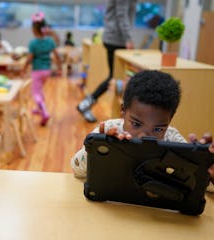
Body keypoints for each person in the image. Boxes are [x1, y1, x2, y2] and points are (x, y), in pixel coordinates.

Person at [71, 70, 214, 189]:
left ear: (170, 120)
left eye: (158, 129)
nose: (144, 136)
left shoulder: (173, 140)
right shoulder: (108, 130)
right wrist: (97, 149)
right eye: (136, 124)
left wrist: (205, 167)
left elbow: (204, 186)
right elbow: (76, 169)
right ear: (123, 111)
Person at [77, 0, 137, 123]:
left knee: (115, 77)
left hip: (114, 38)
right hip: (116, 39)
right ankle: (87, 103)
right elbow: (122, 15)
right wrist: (129, 39)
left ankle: (87, 103)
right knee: (116, 77)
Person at [22, 12, 62, 126]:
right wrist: (59, 68)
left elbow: (29, 58)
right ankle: (39, 109)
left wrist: (24, 69)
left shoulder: (33, 43)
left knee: (35, 93)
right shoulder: (50, 40)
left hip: (37, 71)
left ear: (34, 29)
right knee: (39, 90)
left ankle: (44, 112)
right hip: (47, 71)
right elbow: (57, 56)